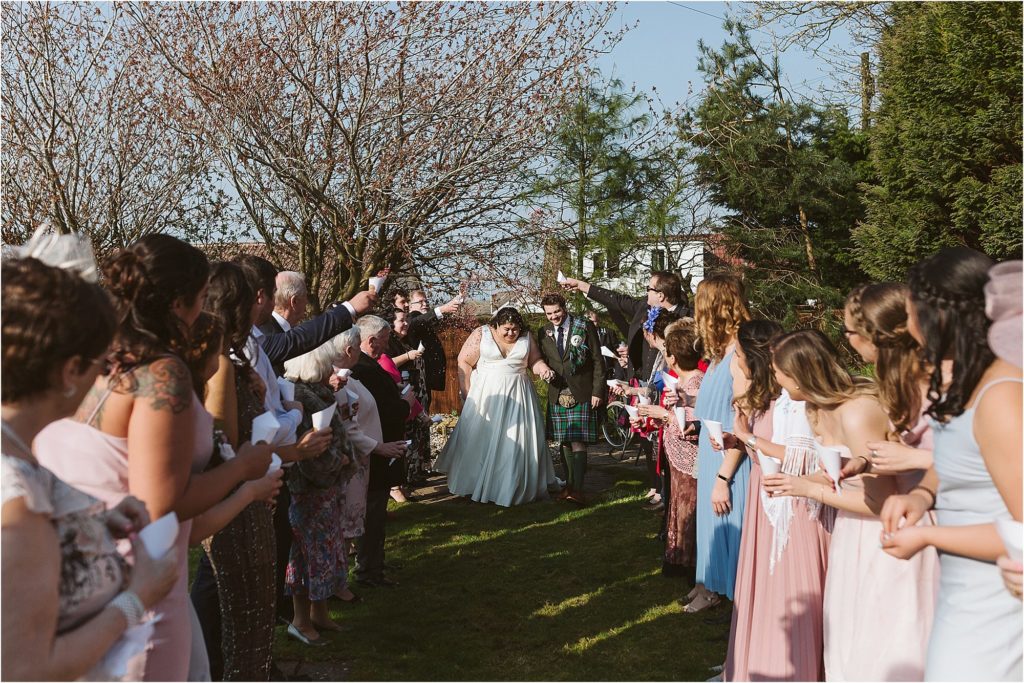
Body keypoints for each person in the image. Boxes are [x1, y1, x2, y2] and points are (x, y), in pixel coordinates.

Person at [32, 235, 264, 681]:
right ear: (178, 303)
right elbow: (161, 504)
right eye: (199, 301)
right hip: (141, 588)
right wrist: (244, 467)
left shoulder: (88, 356)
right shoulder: (160, 373)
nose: (201, 314)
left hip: (73, 577)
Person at [1, 249, 179, 681]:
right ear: (69, 371)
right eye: (102, 362)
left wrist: (92, 525)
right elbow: (25, 669)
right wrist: (137, 597)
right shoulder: (18, 505)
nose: (106, 373)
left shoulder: (16, 448)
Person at [880, 249, 1022, 681]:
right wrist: (922, 494)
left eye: (910, 315)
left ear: (937, 317)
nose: (909, 328)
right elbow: (964, 458)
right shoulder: (970, 380)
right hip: (963, 592)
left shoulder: (1001, 398)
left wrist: (926, 535)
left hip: (997, 605)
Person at [763, 329, 937, 681]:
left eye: (778, 372)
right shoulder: (815, 407)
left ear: (798, 375)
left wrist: (809, 491)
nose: (776, 379)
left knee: (886, 642)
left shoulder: (856, 412)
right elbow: (839, 472)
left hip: (886, 536)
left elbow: (880, 502)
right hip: (851, 536)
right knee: (849, 640)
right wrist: (798, 481)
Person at [190, 261, 306, 681]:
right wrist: (260, 469)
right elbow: (220, 445)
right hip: (237, 505)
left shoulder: (232, 359)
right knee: (244, 620)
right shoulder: (220, 363)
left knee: (250, 620)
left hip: (251, 493)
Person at [720, 320, 833, 681]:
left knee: (792, 587)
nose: (735, 362)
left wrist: (748, 439)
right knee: (766, 589)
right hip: (767, 502)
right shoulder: (776, 399)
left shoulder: (799, 403)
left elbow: (802, 456)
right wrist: (741, 437)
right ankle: (758, 660)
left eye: (738, 355)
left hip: (795, 506)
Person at [561, 271, 690, 502]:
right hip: (641, 379)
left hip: (671, 383)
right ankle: (655, 483)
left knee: (665, 436)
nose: (646, 292)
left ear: (661, 295)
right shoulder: (644, 308)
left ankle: (669, 486)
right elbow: (615, 299)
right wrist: (581, 285)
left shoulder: (685, 316)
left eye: (649, 288)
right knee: (646, 433)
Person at [434, 307, 559, 506]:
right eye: (507, 329)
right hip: (487, 395)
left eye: (515, 329)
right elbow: (464, 362)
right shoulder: (481, 333)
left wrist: (543, 369)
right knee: (482, 439)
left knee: (518, 440)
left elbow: (534, 361)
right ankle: (477, 483)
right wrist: (467, 393)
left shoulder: (527, 337)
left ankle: (513, 485)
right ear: (496, 325)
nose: (511, 333)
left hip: (519, 396)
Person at [283, 341, 358, 645]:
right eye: (326, 363)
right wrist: (335, 462)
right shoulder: (298, 395)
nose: (331, 368)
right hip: (310, 490)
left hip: (326, 489)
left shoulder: (319, 391)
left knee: (325, 554)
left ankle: (320, 613)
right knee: (307, 556)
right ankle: (300, 621)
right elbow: (307, 447)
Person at [689, 274, 752, 613]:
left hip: (732, 464)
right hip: (713, 456)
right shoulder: (719, 354)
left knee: (732, 529)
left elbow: (745, 423)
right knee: (714, 530)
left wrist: (724, 480)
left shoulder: (740, 355)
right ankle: (714, 591)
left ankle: (737, 610)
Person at [635, 319, 703, 586]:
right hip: (676, 459)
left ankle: (693, 569)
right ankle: (680, 563)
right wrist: (651, 417)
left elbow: (696, 427)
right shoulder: (680, 382)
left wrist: (664, 415)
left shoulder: (696, 382)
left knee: (689, 513)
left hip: (691, 461)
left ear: (672, 358)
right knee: (678, 508)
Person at [351, 316, 413, 587]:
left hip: (381, 447)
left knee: (377, 514)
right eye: (386, 339)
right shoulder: (363, 369)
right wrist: (405, 405)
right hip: (376, 451)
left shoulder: (368, 366)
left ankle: (375, 564)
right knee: (372, 515)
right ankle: (368, 570)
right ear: (371, 340)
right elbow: (382, 410)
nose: (389, 345)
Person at [537, 293, 605, 504]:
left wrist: (597, 392)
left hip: (582, 391)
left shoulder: (583, 326)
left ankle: (577, 489)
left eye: (556, 311)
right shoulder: (543, 332)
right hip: (557, 393)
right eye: (549, 313)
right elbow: (541, 359)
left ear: (564, 308)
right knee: (564, 441)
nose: (553, 317)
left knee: (577, 441)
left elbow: (598, 360)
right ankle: (568, 486)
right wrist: (543, 370)